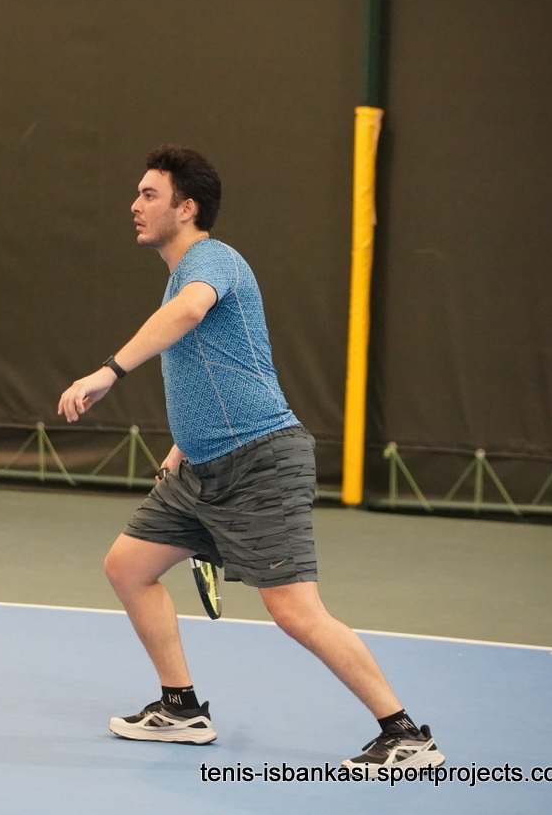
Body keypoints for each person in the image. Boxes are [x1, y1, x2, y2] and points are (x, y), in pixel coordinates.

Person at [56, 144, 443, 774]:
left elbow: (188, 315)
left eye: (149, 194)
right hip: (201, 467)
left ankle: (405, 735)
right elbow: (218, 370)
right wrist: (181, 447)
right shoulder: (180, 276)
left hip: (260, 461)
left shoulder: (212, 261)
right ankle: (180, 709)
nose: (135, 205)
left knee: (294, 610)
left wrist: (109, 371)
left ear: (186, 208)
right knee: (128, 567)